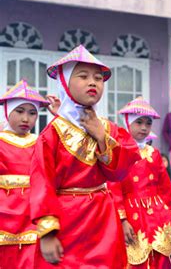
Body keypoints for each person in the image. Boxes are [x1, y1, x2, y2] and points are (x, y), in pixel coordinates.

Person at [29, 44, 140, 267]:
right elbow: (42, 184)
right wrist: (47, 233)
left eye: (98, 78)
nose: (93, 82)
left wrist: (101, 137)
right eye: (83, 76)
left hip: (103, 221)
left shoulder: (110, 130)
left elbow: (120, 173)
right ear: (65, 83)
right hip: (67, 221)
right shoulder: (51, 134)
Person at [109, 96, 171, 268]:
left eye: (148, 123)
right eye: (139, 122)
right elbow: (114, 187)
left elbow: (165, 187)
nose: (144, 128)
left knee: (161, 258)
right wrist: (122, 220)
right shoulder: (119, 152)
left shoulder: (154, 153)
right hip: (132, 217)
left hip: (158, 216)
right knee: (134, 260)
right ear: (127, 122)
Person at [0, 80, 49, 268]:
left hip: (32, 213)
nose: (25, 119)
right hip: (4, 213)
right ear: (7, 111)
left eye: (32, 113)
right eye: (19, 111)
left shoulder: (40, 143)